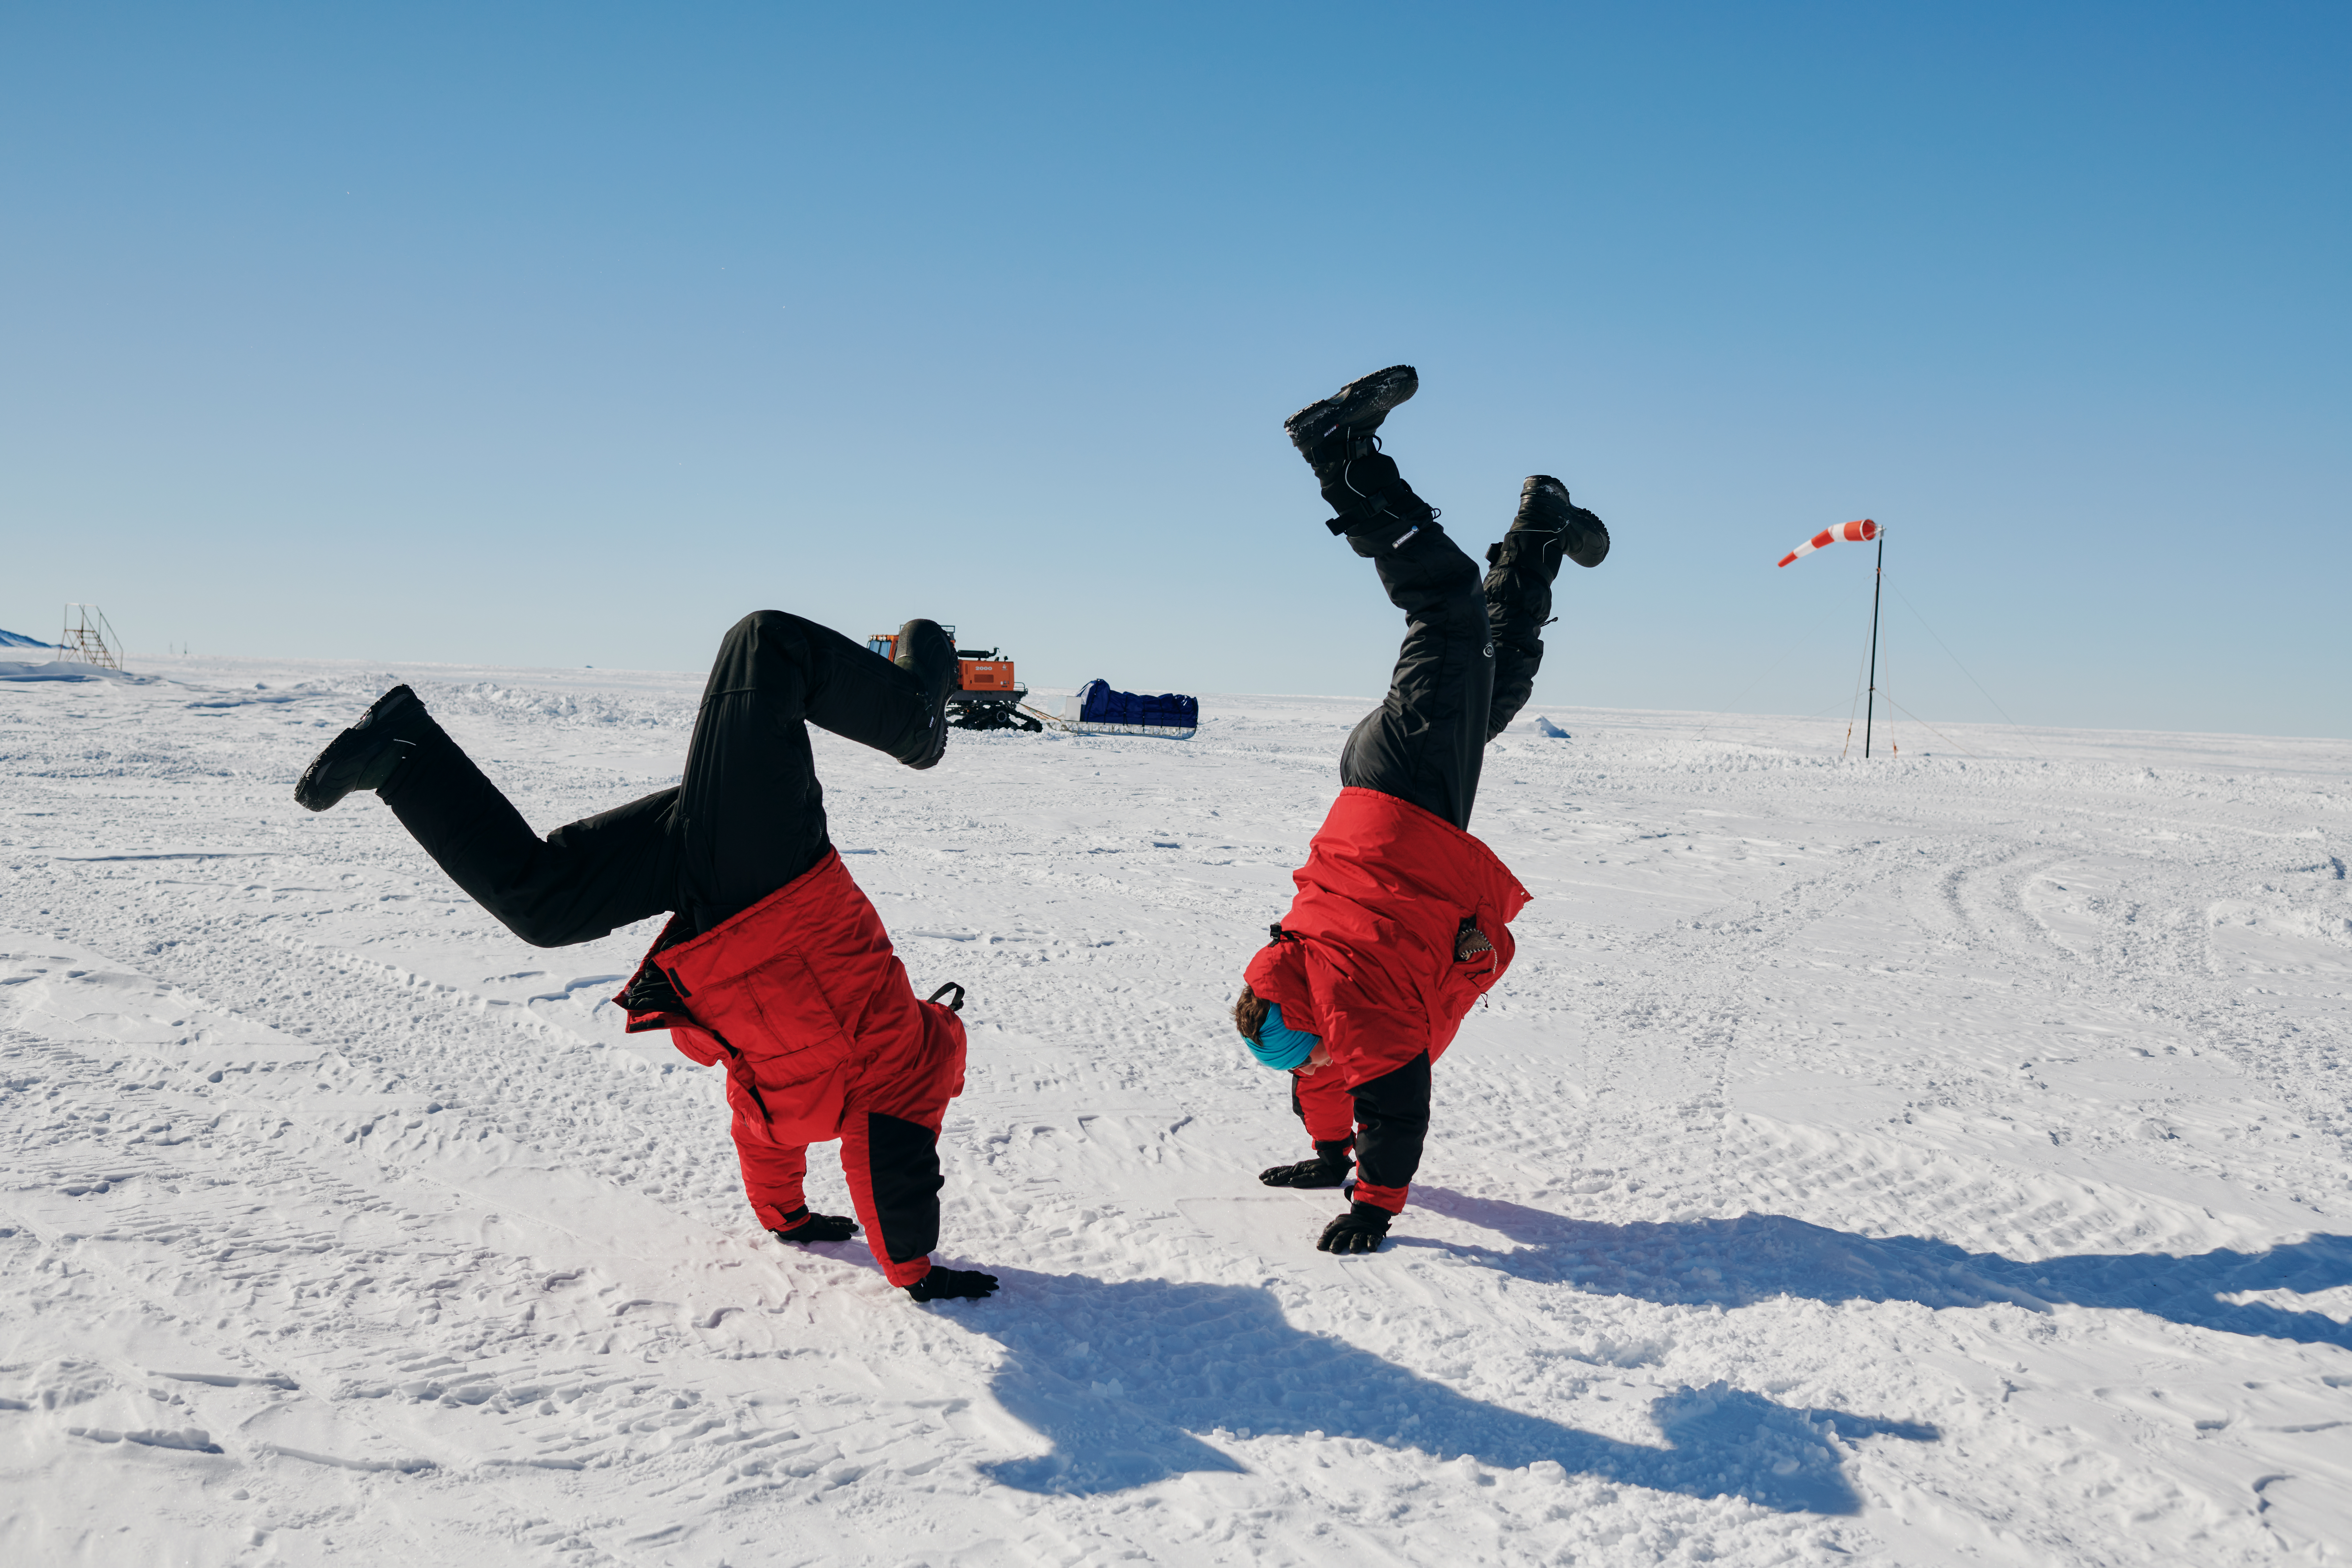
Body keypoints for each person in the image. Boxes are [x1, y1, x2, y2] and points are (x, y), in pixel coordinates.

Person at [293, 612, 1000, 1302]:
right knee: (763, 646)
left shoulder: (784, 1104)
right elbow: (893, 1156)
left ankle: (400, 756)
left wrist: (788, 1218)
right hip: (782, 877)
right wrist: (913, 1268)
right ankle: (917, 715)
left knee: (544, 904)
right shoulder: (908, 1060)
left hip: (712, 901)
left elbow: (764, 1141)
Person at [1232, 365, 1609, 1255]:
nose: (1321, 1066)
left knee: (1443, 611)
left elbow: (1395, 1107)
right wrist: (1329, 1156)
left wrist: (1374, 1206)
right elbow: (1324, 1081)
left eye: (1315, 1052)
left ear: (1321, 1026)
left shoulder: (1354, 1018)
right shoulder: (1298, 989)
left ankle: (1341, 455)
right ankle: (1541, 528)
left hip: (1403, 801)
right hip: (1399, 809)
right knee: (1497, 675)